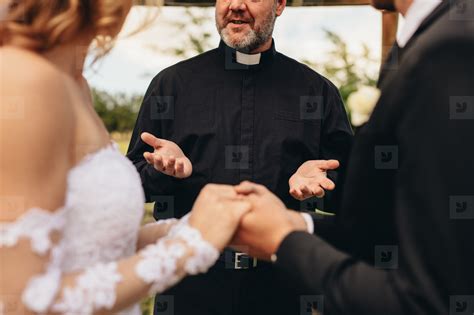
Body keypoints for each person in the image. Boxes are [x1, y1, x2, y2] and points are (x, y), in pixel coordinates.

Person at [0, 1, 251, 314]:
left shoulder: (78, 86)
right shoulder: (24, 78)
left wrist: (190, 227)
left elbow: (95, 246)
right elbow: (22, 303)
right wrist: (188, 248)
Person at [232, 0, 474, 314]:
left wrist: (284, 241)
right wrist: (299, 224)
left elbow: (431, 297)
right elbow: (393, 229)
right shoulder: (429, 39)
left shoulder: (453, 47)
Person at [127, 0, 353, 313]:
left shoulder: (317, 92)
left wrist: (320, 185)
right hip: (190, 287)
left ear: (280, 5)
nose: (236, 5)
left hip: (281, 288)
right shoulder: (172, 85)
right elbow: (133, 185)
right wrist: (163, 171)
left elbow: (355, 193)